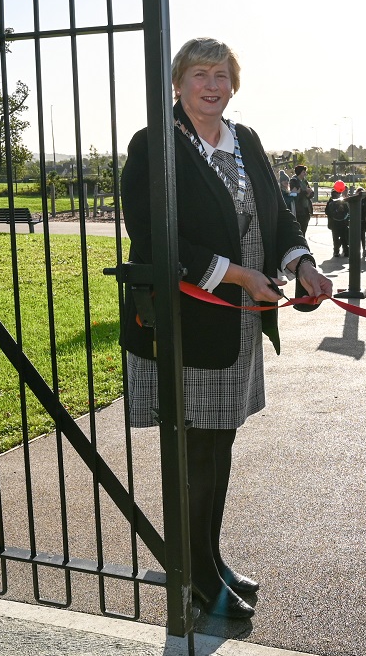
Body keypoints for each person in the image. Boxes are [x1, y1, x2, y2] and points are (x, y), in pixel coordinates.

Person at [120, 37, 332, 619]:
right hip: (186, 324)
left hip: (238, 323)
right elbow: (150, 231)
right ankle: (193, 576)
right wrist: (236, 273)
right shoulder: (153, 144)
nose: (212, 85)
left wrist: (301, 263)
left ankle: (207, 559)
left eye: (222, 75)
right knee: (196, 453)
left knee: (220, 447)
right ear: (177, 83)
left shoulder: (248, 141)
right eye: (199, 74)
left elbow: (277, 214)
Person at [325, 186, 350, 257]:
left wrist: (342, 211)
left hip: (342, 222)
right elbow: (327, 211)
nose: (337, 195)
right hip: (334, 222)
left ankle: (346, 251)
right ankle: (336, 251)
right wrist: (335, 212)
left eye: (338, 193)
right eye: (335, 194)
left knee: (344, 237)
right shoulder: (330, 202)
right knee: (335, 238)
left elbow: (347, 211)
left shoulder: (342, 201)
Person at [292, 164, 314, 234]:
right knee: (299, 229)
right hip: (299, 209)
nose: (305, 173)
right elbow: (294, 194)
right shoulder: (294, 181)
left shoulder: (305, 181)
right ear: (299, 172)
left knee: (304, 229)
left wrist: (309, 194)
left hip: (306, 209)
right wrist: (305, 192)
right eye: (304, 172)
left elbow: (310, 192)